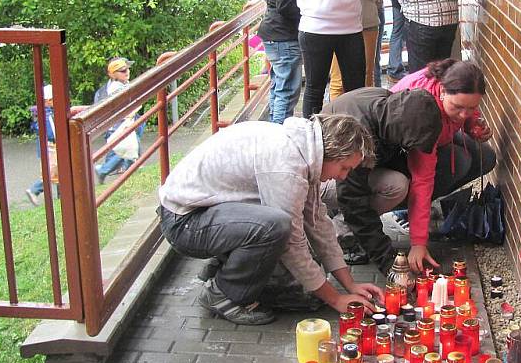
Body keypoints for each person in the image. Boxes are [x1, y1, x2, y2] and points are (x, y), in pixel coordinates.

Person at [158, 114, 383, 325]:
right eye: (344, 168)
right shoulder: (288, 165)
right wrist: (335, 299)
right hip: (185, 223)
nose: (343, 177)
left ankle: (226, 266)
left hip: (203, 213)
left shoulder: (306, 149)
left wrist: (349, 285)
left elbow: (317, 221)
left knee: (297, 260)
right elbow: (292, 243)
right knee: (276, 226)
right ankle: (223, 294)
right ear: (332, 150)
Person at [324, 59, 497, 272]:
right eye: (458, 107)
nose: (464, 115)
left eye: (471, 108)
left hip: (365, 160)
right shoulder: (361, 140)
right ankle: (341, 227)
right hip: (325, 178)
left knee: (478, 158)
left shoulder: (399, 112)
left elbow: (422, 179)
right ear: (442, 91)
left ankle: (394, 216)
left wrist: (419, 241)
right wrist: (390, 264)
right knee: (398, 185)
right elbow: (353, 200)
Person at [94, 57, 141, 184]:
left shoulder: (122, 84)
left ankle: (126, 170)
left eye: (127, 69)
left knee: (129, 149)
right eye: (122, 71)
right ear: (113, 74)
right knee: (125, 150)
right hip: (119, 125)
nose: (127, 72)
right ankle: (103, 170)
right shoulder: (116, 87)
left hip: (124, 122)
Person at [25, 84, 56, 206]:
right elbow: (52, 132)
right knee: (53, 171)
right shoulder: (47, 114)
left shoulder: (42, 113)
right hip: (51, 147)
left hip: (45, 147)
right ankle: (34, 190)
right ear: (48, 100)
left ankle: (61, 196)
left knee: (57, 171)